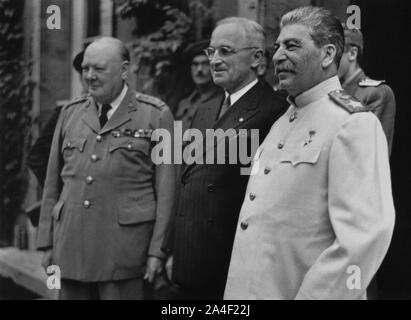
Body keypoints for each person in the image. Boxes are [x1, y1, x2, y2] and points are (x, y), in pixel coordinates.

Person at [224, 6, 395, 300]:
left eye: (292, 45)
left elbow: (364, 237)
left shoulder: (352, 124)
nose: (277, 56)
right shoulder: (281, 122)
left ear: (328, 55)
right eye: (277, 46)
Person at [36, 37, 176, 300]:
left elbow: (167, 190)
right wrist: (46, 242)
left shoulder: (156, 115)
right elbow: (53, 183)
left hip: (123, 254)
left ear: (124, 70)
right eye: (86, 68)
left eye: (99, 69)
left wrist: (158, 251)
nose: (89, 76)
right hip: (71, 249)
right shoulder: (70, 113)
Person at [163, 17, 287, 300]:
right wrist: (173, 249)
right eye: (211, 51)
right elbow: (188, 183)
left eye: (226, 51)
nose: (214, 60)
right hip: (190, 259)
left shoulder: (273, 110)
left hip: (230, 263)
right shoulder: (205, 109)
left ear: (257, 58)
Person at [338, 24, 396, 153]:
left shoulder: (377, 93)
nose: (328, 60)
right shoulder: (330, 90)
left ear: (352, 53)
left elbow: (373, 154)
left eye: (336, 54)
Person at [175, 40, 223, 133]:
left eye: (205, 64)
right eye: (195, 64)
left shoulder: (224, 102)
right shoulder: (183, 104)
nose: (199, 69)